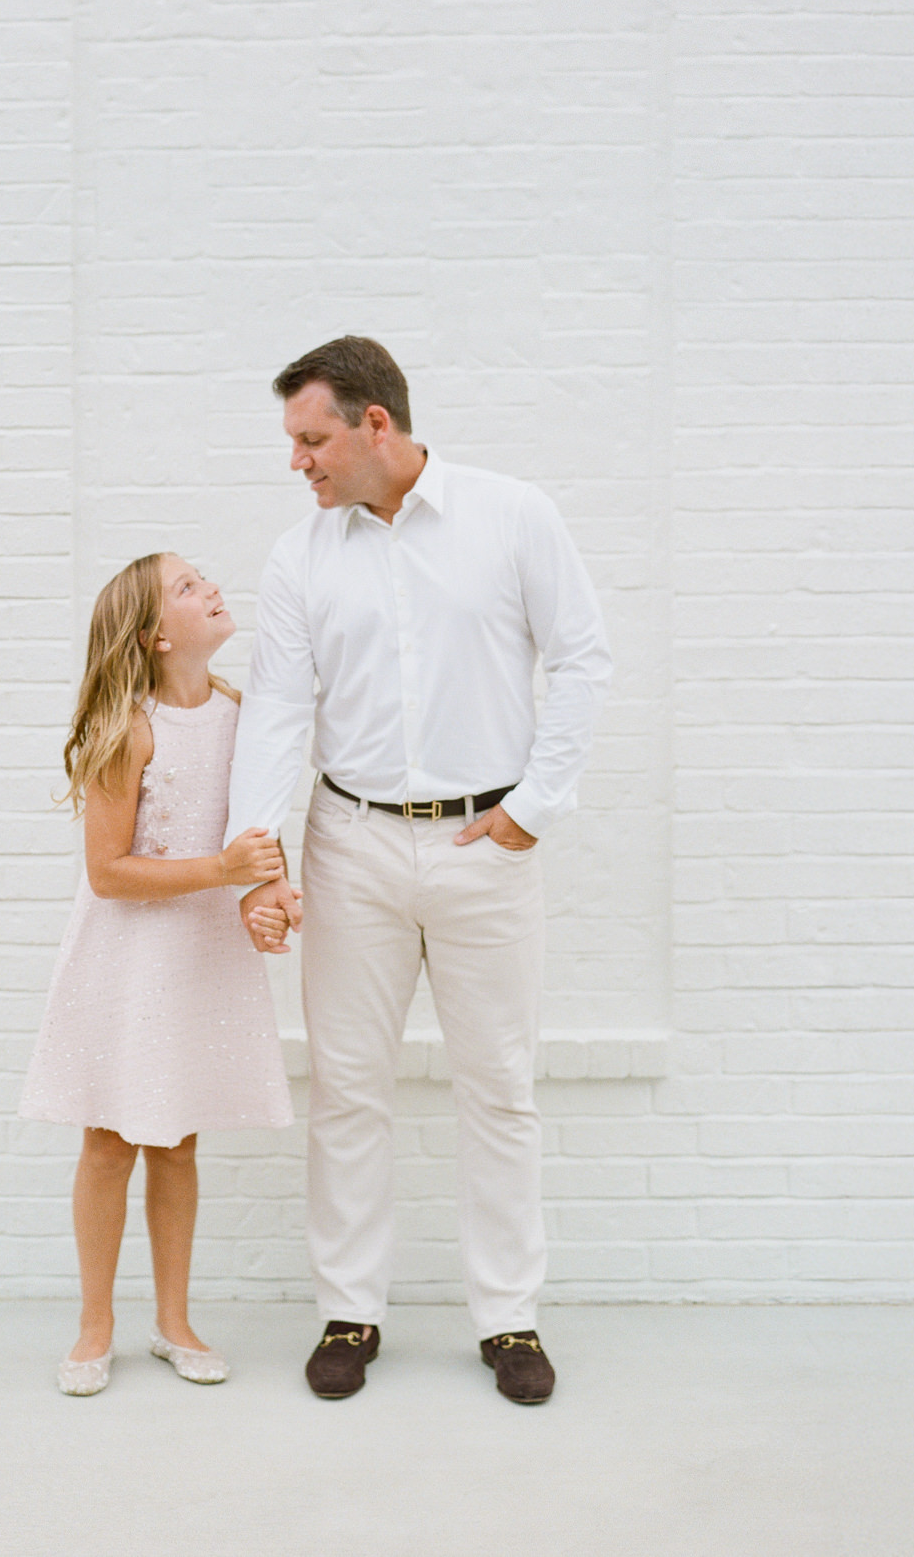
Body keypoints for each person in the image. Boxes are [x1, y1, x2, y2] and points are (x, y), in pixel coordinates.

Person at [226, 336, 611, 1405]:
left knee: (500, 1087)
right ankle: (350, 1312)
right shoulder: (302, 554)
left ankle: (511, 1324)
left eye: (312, 440)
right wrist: (260, 854)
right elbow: (280, 708)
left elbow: (582, 656)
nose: (298, 463)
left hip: (486, 844)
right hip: (349, 843)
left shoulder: (513, 515)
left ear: (375, 425)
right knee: (349, 1087)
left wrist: (534, 810)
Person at [20, 553, 294, 1395]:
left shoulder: (244, 716)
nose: (211, 585)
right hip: (127, 956)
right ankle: (94, 1321)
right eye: (186, 586)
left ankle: (173, 1319)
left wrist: (265, 896)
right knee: (109, 1139)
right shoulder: (129, 730)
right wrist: (223, 871)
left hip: (200, 955)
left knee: (176, 1140)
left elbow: (256, 841)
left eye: (206, 575)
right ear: (156, 635)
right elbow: (109, 872)